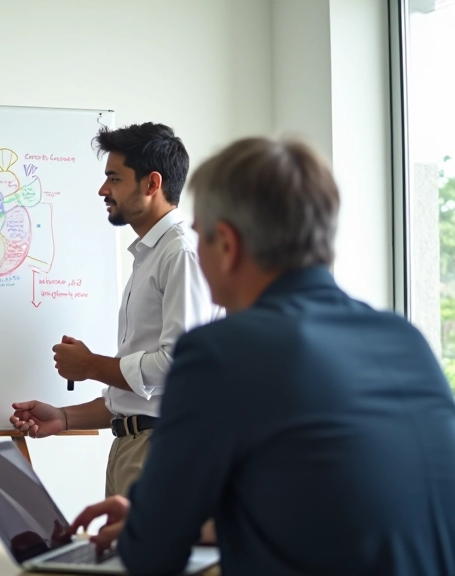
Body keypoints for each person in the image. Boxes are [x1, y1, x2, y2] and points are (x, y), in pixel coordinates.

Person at [68, 137, 455, 576]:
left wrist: (149, 524)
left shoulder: (220, 354)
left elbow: (151, 555)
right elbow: (337, 509)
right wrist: (207, 526)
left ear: (228, 244)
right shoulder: (404, 340)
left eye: (200, 232)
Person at [10, 123, 220, 497]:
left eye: (114, 178)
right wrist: (65, 417)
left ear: (152, 184)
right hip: (133, 446)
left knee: (143, 558)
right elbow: (141, 396)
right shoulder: (151, 255)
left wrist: (91, 366)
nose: (103, 190)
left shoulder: (180, 254)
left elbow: (179, 366)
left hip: (159, 450)